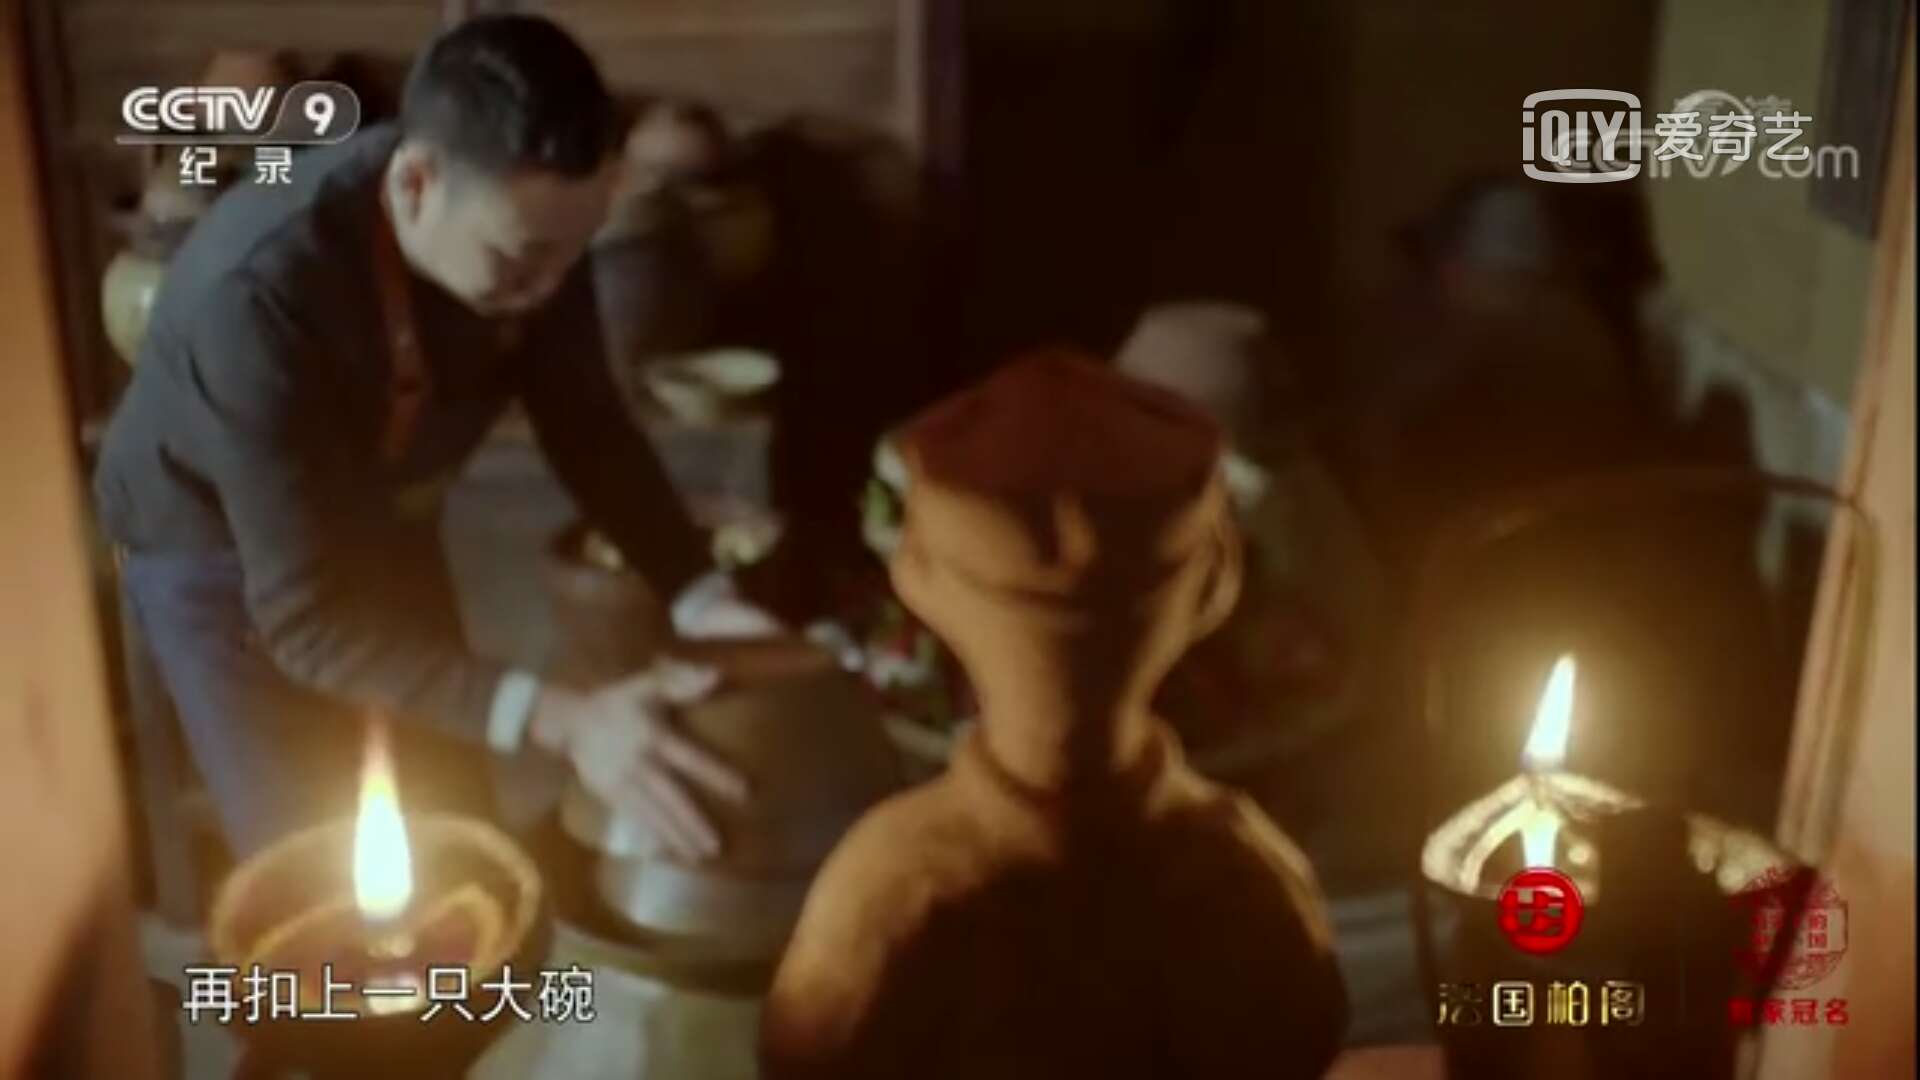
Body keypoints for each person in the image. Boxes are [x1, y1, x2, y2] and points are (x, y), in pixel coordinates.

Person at [93, 15, 773, 859]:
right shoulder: (260, 297)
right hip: (218, 551)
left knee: (456, 831)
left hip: (378, 511)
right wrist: (566, 720)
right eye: (521, 259)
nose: (550, 288)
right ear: (416, 183)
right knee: (321, 863)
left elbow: (588, 424)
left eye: (572, 256)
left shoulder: (534, 231)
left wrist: (703, 597)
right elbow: (308, 622)